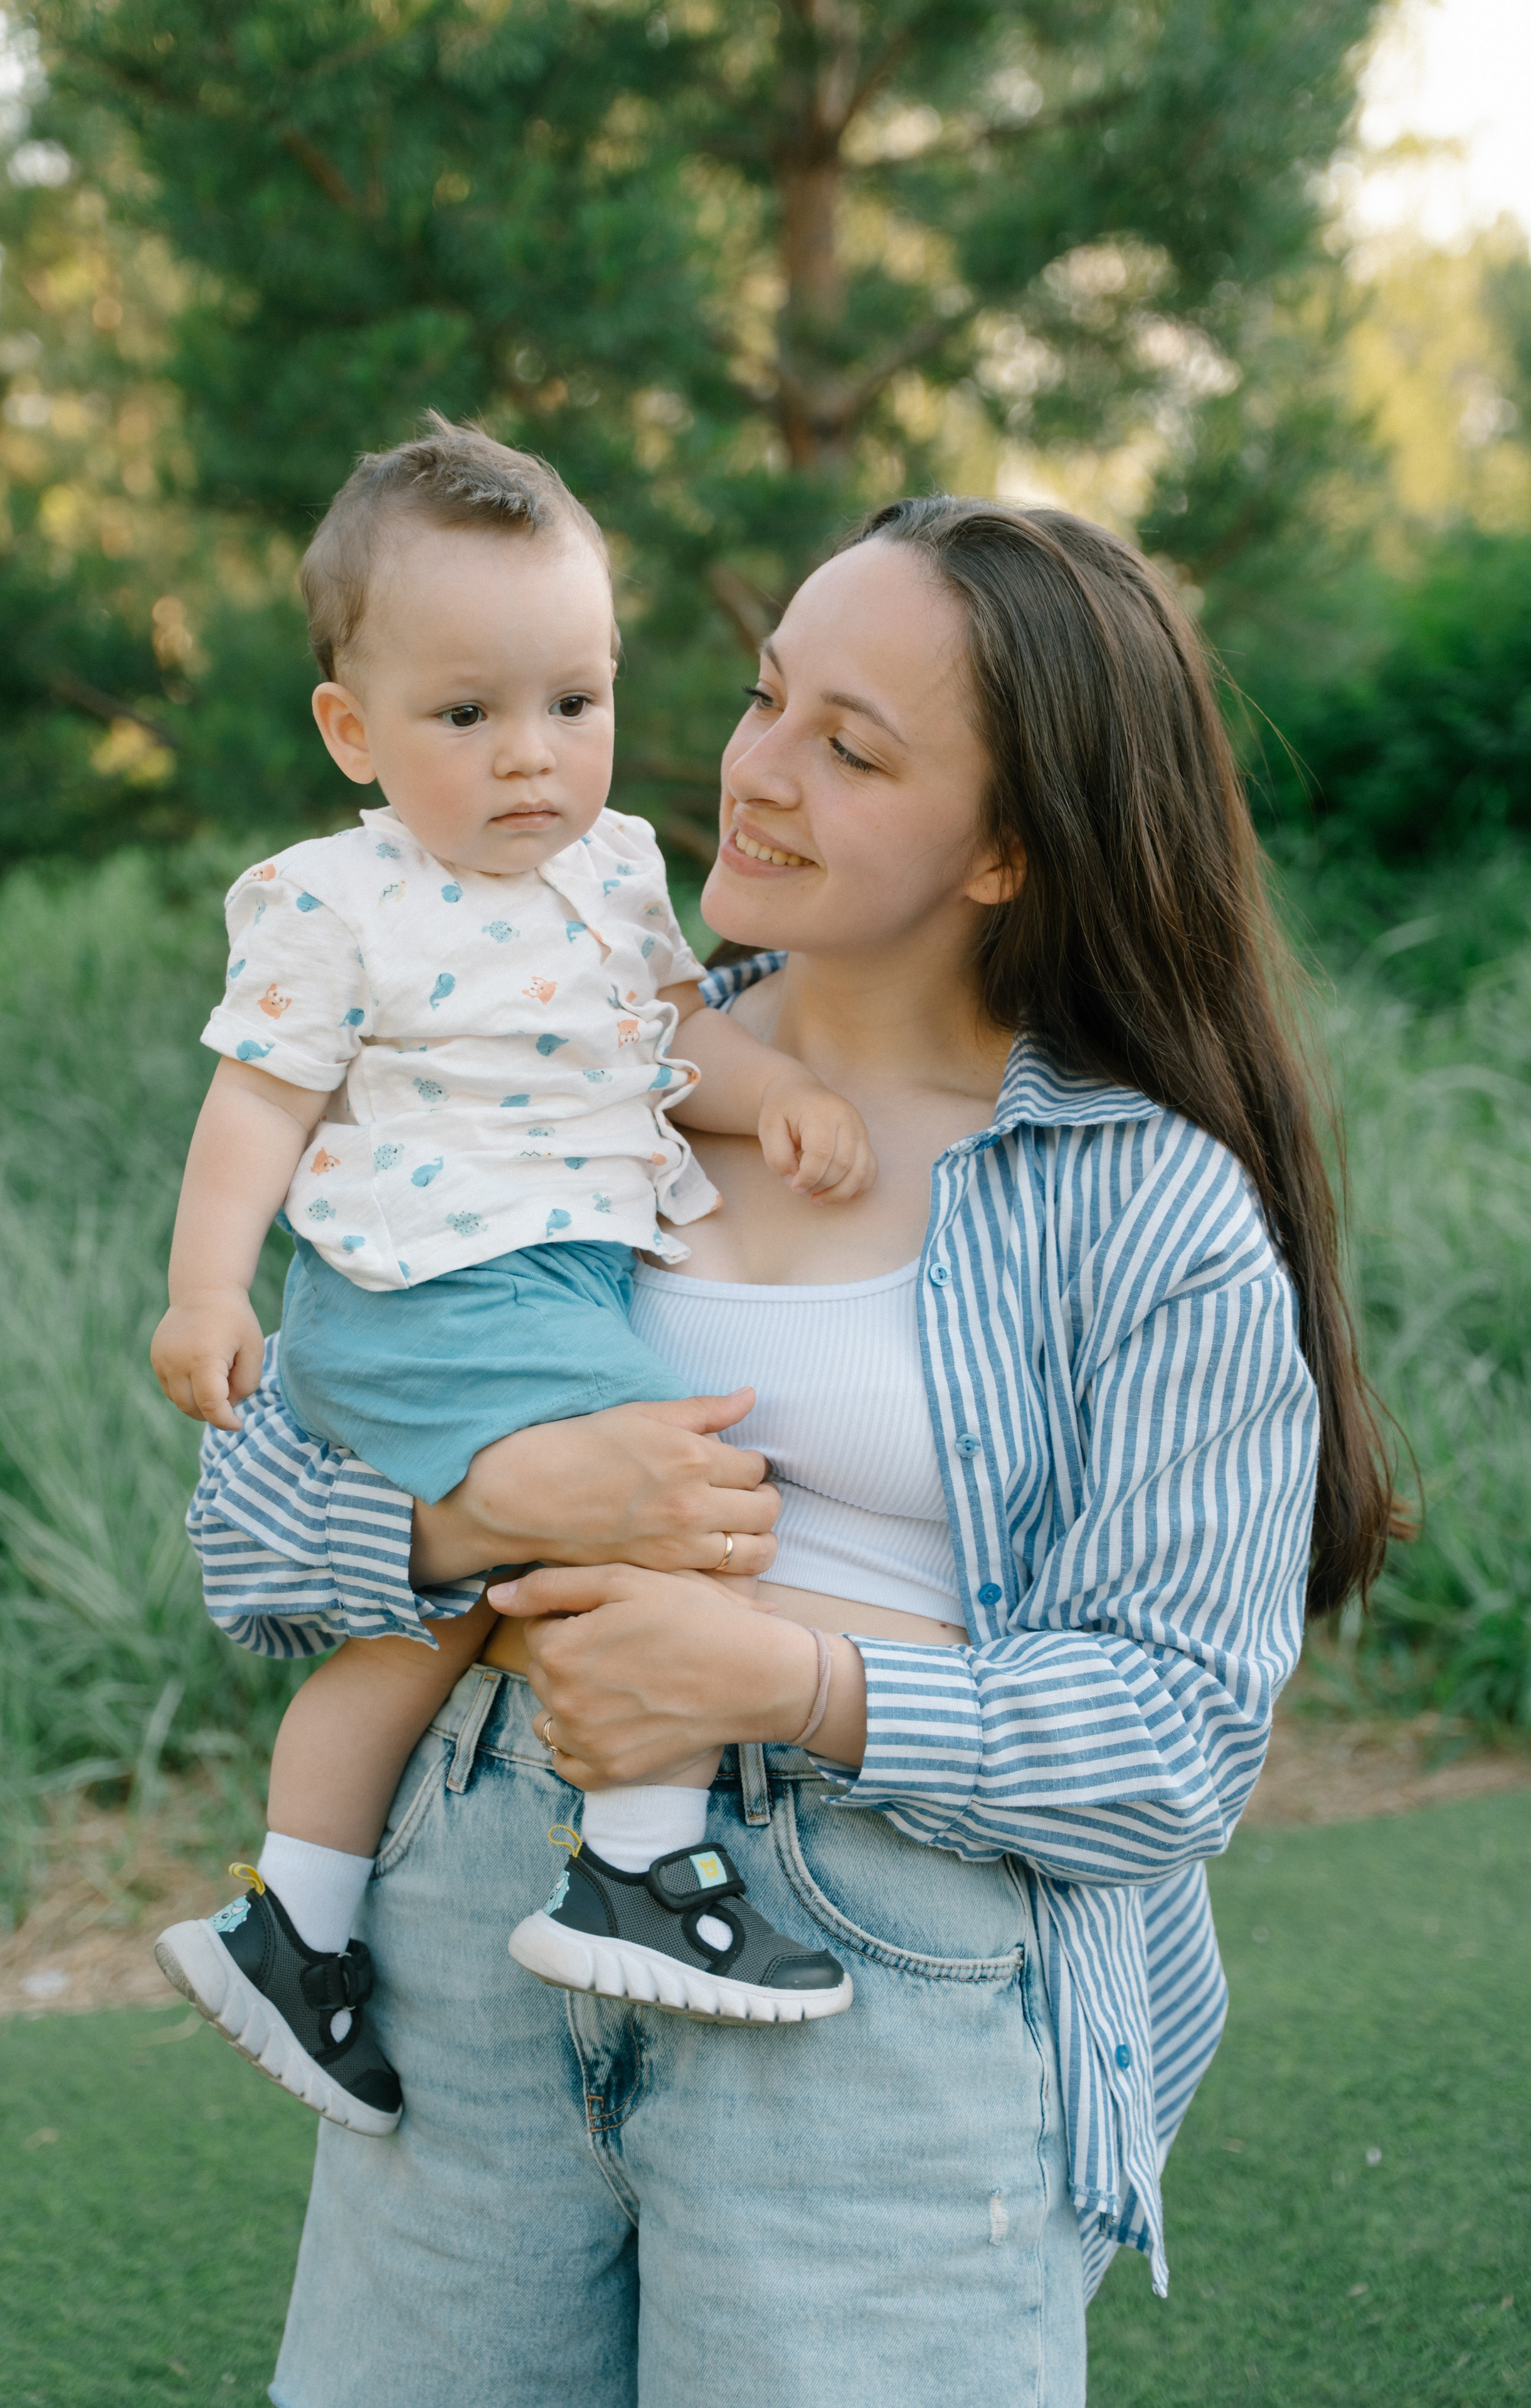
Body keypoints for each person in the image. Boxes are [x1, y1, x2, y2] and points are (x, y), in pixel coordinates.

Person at [187, 494, 1394, 2408]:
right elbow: (247, 1541)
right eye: (765, 699)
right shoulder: (536, 1062)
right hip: (468, 1933)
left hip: (878, 1971)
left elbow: (1175, 1744)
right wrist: (479, 1513)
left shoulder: (1142, 1213)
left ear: (1008, 846)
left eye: (852, 748)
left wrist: (785, 1677)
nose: (755, 773)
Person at [150, 419, 872, 2136]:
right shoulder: (339, 904)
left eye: (574, 702)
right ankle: (635, 1862)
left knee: (438, 1610)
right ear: (354, 728)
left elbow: (678, 1037)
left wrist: (782, 1104)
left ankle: (294, 1920)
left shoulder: (620, 872)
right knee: (677, 1482)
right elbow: (255, 1108)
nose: (533, 759)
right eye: (466, 717)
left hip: (546, 1293)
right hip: (420, 1301)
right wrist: (206, 1292)